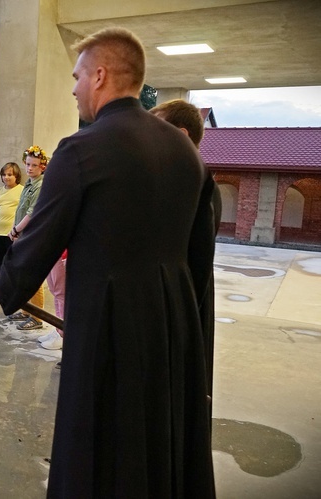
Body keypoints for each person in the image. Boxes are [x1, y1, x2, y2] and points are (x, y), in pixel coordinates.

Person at [0, 27, 216, 497]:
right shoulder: (187, 155)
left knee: (100, 432)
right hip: (173, 321)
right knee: (158, 426)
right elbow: (199, 256)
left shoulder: (81, 148)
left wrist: (4, 283)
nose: (71, 88)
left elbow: (45, 232)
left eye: (76, 77)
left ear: (100, 75)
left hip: (108, 319)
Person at [151, 98, 222, 413]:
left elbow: (198, 259)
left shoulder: (199, 183)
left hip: (185, 306)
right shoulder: (177, 180)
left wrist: (181, 322)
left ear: (180, 135)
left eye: (157, 130)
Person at [5, 145, 50, 331]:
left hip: (30, 236)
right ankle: (26, 309)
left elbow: (32, 213)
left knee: (33, 277)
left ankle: (37, 317)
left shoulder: (40, 186)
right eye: (28, 164)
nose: (30, 168)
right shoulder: (30, 184)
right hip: (21, 236)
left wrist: (16, 230)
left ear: (43, 167)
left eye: (34, 165)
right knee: (23, 275)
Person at [0, 162, 24, 272]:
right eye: (4, 175)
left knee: (12, 263)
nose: (6, 177)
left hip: (13, 234)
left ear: (16, 176)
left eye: (10, 175)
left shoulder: (22, 190)